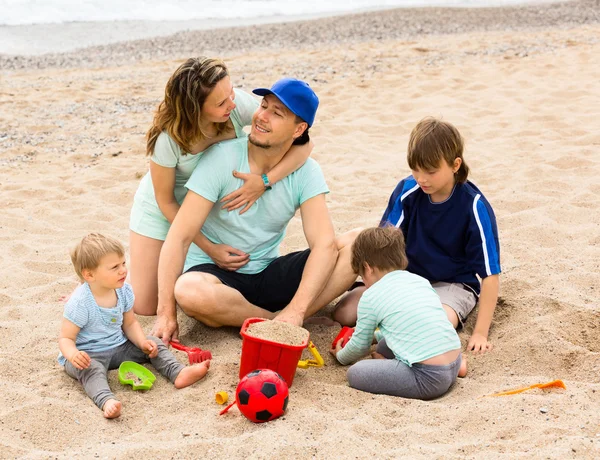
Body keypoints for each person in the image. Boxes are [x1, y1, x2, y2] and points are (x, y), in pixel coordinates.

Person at [152, 78, 358, 343]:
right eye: (263, 106)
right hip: (217, 274)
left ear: (299, 130)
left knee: (358, 243)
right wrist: (165, 314)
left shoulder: (306, 171)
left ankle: (290, 315)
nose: (262, 117)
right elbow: (179, 237)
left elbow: (324, 245)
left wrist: (297, 309)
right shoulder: (222, 157)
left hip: (266, 270)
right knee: (189, 290)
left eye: (277, 113)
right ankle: (276, 322)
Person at [130, 57, 312, 316]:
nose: (233, 103)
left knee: (187, 284)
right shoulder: (168, 138)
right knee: (145, 305)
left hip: (208, 205)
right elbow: (165, 200)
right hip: (166, 207)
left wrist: (264, 182)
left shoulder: (234, 106)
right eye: (221, 102)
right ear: (196, 108)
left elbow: (304, 144)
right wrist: (209, 248)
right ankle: (100, 288)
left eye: (230, 92)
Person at [334, 117, 501, 353]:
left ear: (455, 165)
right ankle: (384, 331)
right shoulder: (408, 191)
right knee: (345, 312)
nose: (421, 179)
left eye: (431, 171)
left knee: (435, 324)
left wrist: (480, 333)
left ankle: (383, 335)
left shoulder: (474, 206)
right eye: (415, 169)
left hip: (452, 285)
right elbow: (384, 244)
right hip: (406, 278)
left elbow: (490, 274)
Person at [58, 233, 210, 419]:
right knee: (92, 371)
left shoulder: (123, 291)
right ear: (89, 274)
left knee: (153, 343)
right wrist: (74, 355)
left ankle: (177, 372)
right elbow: (66, 338)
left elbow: (129, 323)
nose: (123, 271)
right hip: (88, 354)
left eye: (123, 263)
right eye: (114, 267)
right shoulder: (80, 303)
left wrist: (141, 342)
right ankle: (106, 401)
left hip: (118, 346)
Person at [330, 227, 466, 400]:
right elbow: (413, 325)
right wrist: (376, 338)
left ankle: (392, 368)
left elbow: (360, 346)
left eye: (361, 275)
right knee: (382, 346)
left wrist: (340, 356)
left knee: (355, 373)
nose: (363, 281)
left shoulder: (371, 295)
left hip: (428, 378)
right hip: (454, 361)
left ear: (368, 268)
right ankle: (458, 368)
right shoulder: (419, 281)